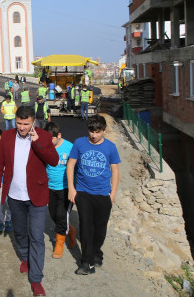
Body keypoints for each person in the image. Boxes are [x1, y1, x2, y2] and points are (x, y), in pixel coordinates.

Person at [0, 106, 58, 297]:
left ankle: (36, 279)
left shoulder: (43, 136)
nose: (22, 127)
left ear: (33, 121)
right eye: (19, 123)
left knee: (36, 236)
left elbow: (53, 160)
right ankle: (26, 257)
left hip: (36, 195)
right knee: (20, 233)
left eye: (26, 124)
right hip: (14, 196)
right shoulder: (7, 136)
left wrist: (38, 144)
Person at [67, 115, 120, 275]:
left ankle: (97, 253)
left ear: (104, 131)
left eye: (98, 132)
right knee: (86, 226)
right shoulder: (79, 143)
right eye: (91, 131)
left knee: (100, 229)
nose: (94, 135)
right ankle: (86, 263)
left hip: (103, 194)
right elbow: (71, 165)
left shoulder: (110, 147)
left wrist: (113, 194)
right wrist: (71, 188)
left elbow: (115, 171)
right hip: (83, 193)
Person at [43, 122, 77, 259]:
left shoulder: (70, 147)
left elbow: (76, 167)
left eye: (52, 138)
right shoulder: (45, 147)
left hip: (66, 188)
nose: (49, 141)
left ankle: (59, 244)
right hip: (50, 187)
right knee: (53, 214)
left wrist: (74, 189)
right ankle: (71, 230)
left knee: (61, 215)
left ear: (59, 136)